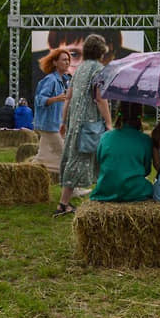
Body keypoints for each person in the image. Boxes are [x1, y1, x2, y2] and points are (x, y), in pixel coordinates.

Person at [56, 34, 113, 216]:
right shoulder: (99, 70)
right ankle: (64, 204)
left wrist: (64, 122)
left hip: (75, 123)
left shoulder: (78, 69)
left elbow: (68, 98)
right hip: (90, 124)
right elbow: (99, 99)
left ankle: (71, 201)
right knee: (84, 160)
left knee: (77, 159)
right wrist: (109, 123)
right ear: (101, 51)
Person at [90, 101, 153, 202]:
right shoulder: (145, 139)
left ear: (118, 113)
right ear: (141, 115)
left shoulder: (105, 137)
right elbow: (147, 170)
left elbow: (100, 162)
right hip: (137, 192)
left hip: (105, 191)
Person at [32, 48, 71, 176]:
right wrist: (56, 99)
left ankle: (23, 174)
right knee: (65, 156)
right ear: (55, 63)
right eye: (64, 60)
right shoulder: (51, 80)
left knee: (40, 158)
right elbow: (39, 99)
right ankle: (74, 189)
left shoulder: (62, 80)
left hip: (51, 124)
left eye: (68, 60)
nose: (67, 62)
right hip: (48, 125)